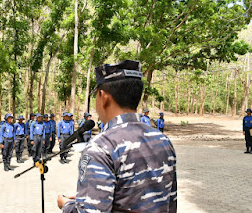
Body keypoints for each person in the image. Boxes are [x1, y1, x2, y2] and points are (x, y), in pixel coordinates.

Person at [57, 60, 177, 212]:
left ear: (103, 96)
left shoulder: (101, 148)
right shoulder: (163, 141)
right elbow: (171, 203)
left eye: (96, 96)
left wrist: (66, 205)